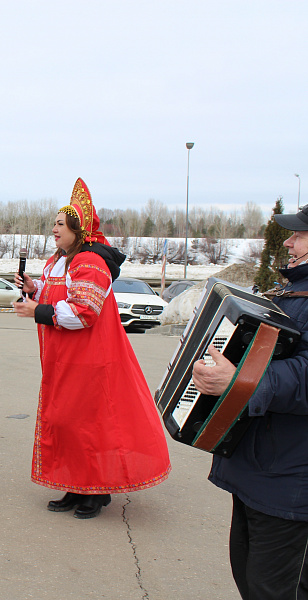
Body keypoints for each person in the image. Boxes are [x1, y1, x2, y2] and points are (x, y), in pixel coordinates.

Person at [13, 178, 170, 519]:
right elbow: (59, 295)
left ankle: (96, 492)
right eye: (54, 223)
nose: (53, 228)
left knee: (89, 424)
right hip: (63, 360)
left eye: (60, 224)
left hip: (89, 360)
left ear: (77, 229)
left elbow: (84, 313)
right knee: (67, 421)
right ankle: (74, 485)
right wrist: (34, 288)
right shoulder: (60, 261)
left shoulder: (89, 262)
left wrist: (35, 311)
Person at [192, 204, 308, 599]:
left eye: (298, 235)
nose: (288, 242)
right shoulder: (292, 291)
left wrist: (241, 380)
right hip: (260, 464)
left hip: (291, 476)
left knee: (271, 588)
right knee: (250, 576)